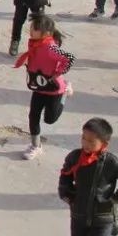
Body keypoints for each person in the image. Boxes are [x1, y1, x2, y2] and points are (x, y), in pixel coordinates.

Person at [59, 118, 118, 236]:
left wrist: (117, 199)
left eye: (91, 141)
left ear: (104, 144)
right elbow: (65, 175)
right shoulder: (74, 157)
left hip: (102, 215)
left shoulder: (113, 162)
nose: (85, 144)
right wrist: (65, 193)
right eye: (83, 138)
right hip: (78, 212)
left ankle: (112, 225)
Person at [14, 13, 75, 160]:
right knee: (33, 116)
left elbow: (70, 58)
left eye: (34, 28)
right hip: (39, 88)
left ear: (46, 33)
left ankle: (66, 92)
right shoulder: (34, 43)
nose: (30, 31)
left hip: (54, 90)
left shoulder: (51, 48)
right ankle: (36, 145)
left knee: (50, 119)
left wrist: (59, 72)